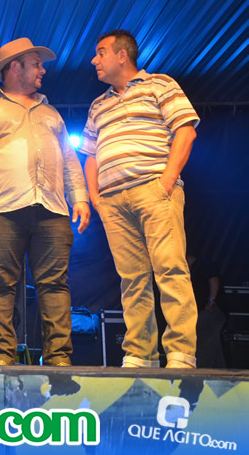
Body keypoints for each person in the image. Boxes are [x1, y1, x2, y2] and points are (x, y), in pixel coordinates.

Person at [0, 38, 90, 367]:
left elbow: (69, 160)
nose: (43, 70)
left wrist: (80, 197)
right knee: (0, 283)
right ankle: (2, 357)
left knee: (55, 284)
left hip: (52, 209)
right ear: (15, 67)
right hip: (2, 208)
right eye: (36, 64)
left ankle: (59, 360)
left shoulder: (51, 112)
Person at [81, 29, 199, 369]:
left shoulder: (159, 84)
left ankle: (180, 353)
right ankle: (140, 354)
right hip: (113, 201)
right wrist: (96, 198)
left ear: (122, 55)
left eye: (101, 52)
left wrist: (166, 181)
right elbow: (90, 155)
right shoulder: (98, 104)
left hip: (154, 189)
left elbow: (186, 130)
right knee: (132, 278)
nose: (94, 60)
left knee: (170, 268)